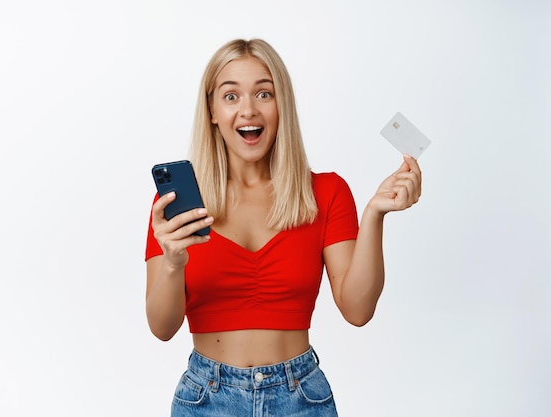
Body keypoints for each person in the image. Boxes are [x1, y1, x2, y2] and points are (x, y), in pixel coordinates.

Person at [145, 38, 422, 416]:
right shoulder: (177, 206)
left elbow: (358, 310)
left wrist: (375, 213)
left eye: (264, 94)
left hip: (300, 398)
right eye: (230, 96)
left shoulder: (326, 193)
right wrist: (174, 262)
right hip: (206, 400)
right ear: (211, 109)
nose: (248, 110)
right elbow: (162, 327)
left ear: (282, 105)